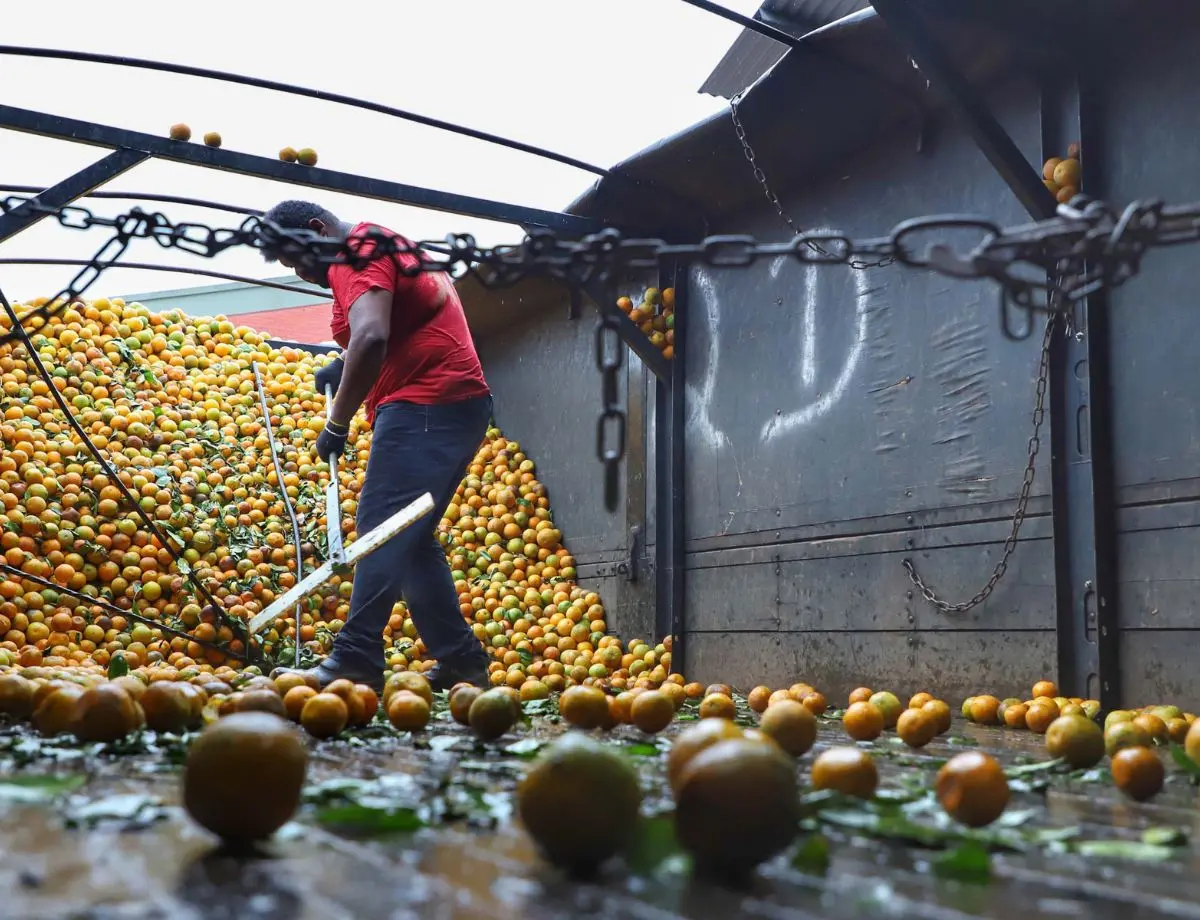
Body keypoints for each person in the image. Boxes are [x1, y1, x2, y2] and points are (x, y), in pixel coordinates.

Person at [257, 200, 493, 692]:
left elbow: (371, 337)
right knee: (408, 537)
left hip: (429, 402)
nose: (303, 274)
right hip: (448, 404)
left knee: (380, 529)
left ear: (318, 230)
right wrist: (341, 366)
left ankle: (355, 656)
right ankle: (461, 660)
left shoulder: (355, 251)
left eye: (299, 260)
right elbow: (405, 320)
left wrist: (337, 422)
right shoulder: (377, 243)